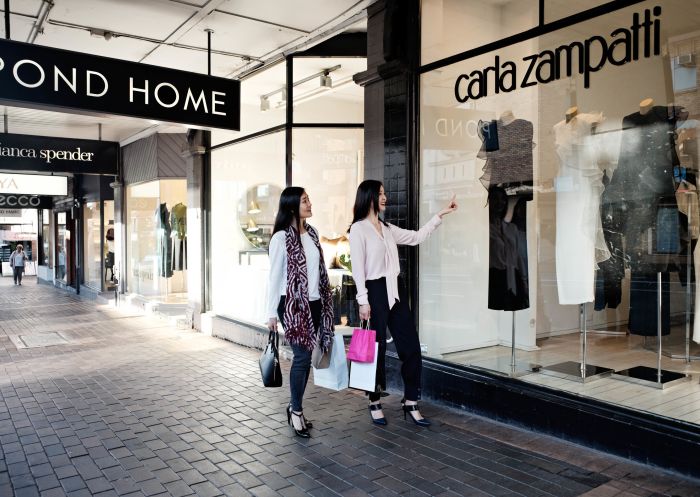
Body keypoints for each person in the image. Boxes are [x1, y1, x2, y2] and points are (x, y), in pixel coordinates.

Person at [349, 180, 457, 426]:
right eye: (380, 194)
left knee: (411, 347)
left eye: (385, 193)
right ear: (369, 198)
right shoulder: (359, 229)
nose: (385, 197)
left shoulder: (387, 228)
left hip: (395, 290)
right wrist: (362, 301)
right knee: (373, 350)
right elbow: (358, 269)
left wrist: (440, 215)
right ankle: (374, 400)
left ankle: (410, 401)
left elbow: (417, 237)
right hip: (374, 292)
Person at [266, 187, 335, 438]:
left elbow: (319, 269)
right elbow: (274, 278)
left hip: (315, 303)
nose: (310, 203)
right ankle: (295, 412)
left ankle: (296, 407)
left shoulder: (313, 233)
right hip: (292, 305)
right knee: (302, 358)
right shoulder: (280, 238)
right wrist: (271, 313)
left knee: (305, 360)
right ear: (293, 206)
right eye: (305, 200)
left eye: (309, 199)